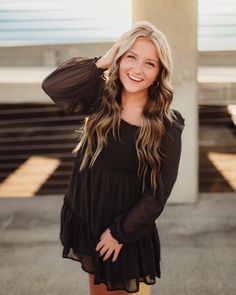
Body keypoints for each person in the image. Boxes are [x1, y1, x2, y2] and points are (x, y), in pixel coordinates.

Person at [41, 20, 185, 295]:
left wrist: (120, 233)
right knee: (97, 291)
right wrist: (103, 61)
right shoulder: (101, 98)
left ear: (159, 73)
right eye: (131, 57)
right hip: (88, 219)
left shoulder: (166, 124)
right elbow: (53, 86)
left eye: (149, 63)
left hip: (120, 232)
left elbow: (158, 194)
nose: (137, 69)